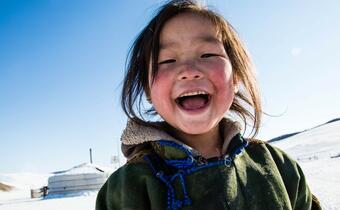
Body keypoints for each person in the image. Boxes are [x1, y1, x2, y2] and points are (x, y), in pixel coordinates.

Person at [96, 0, 322, 209]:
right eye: (167, 60)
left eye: (207, 54)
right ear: (147, 88)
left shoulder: (280, 168)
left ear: (235, 78)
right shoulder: (126, 189)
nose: (189, 71)